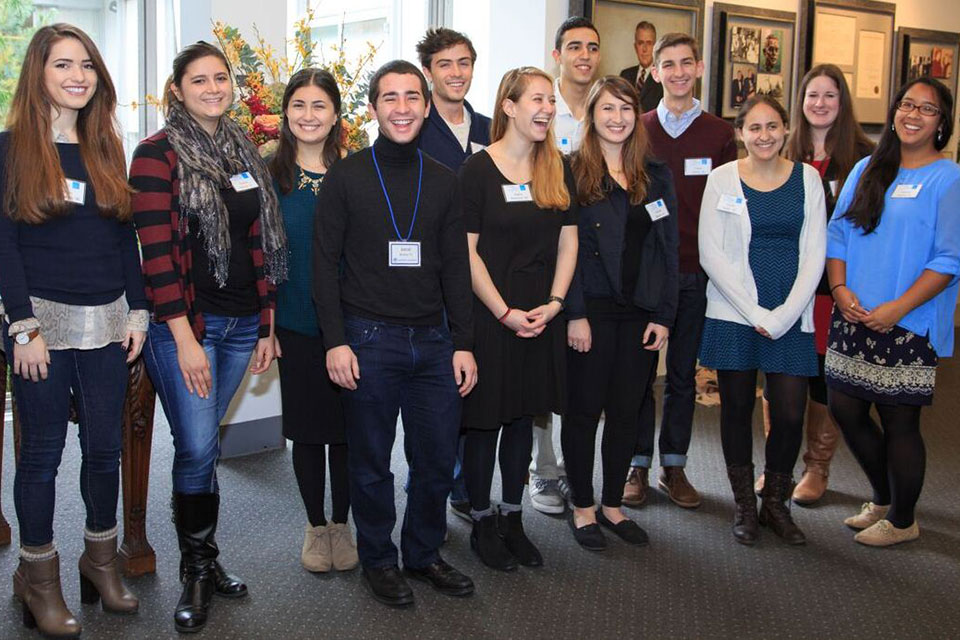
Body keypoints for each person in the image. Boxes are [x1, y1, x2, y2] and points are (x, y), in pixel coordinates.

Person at [130, 41, 286, 633]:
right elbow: (157, 258)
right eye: (200, 80)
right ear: (178, 89)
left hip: (244, 321)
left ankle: (206, 557)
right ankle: (197, 568)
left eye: (221, 78)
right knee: (197, 448)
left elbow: (260, 245)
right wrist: (184, 338)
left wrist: (266, 323)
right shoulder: (155, 154)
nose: (213, 88)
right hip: (187, 327)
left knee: (206, 449)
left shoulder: (243, 151)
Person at [313, 60, 477, 606]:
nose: (402, 108)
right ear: (373, 109)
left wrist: (465, 344)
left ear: (427, 107)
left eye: (412, 97)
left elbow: (456, 267)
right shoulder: (346, 177)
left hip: (434, 343)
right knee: (371, 464)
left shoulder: (446, 181)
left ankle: (424, 553)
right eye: (390, 98)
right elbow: (322, 265)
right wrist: (335, 340)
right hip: (367, 340)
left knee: (433, 461)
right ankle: (379, 559)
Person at [0, 23, 144, 637]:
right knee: (41, 455)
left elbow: (123, 236)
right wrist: (21, 327)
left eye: (86, 64)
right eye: (63, 65)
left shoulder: (106, 146)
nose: (78, 75)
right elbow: (3, 244)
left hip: (107, 322)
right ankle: (37, 577)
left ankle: (100, 561)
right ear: (40, 74)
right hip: (41, 324)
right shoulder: (8, 149)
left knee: (105, 450)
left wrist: (137, 309)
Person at [825, 78, 960, 547]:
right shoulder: (868, 168)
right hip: (854, 314)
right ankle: (883, 498)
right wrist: (839, 288)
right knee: (844, 407)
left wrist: (896, 309)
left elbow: (948, 259)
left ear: (941, 124)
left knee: (899, 420)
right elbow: (837, 235)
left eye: (928, 109)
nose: (914, 115)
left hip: (908, 321)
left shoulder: (948, 178)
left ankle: (904, 520)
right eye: (907, 105)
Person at [460, 66, 578, 570]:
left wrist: (554, 304)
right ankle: (482, 520)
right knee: (486, 424)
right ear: (508, 106)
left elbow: (570, 239)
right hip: (493, 316)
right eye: (537, 99)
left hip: (540, 316)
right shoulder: (476, 171)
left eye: (550, 100)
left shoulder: (556, 166)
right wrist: (504, 312)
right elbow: (466, 254)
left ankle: (512, 517)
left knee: (521, 423)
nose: (548, 109)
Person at [698, 95, 826, 546]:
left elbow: (815, 252)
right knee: (735, 409)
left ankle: (776, 502)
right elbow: (711, 253)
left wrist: (785, 314)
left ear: (787, 129)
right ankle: (745, 507)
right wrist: (755, 314)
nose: (764, 136)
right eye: (754, 128)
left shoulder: (807, 179)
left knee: (790, 413)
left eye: (772, 126)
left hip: (791, 311)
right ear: (741, 133)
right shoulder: (721, 179)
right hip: (734, 312)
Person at [562, 76, 677, 551]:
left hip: (640, 312)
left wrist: (664, 314)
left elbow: (669, 248)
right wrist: (574, 314)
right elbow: (563, 251)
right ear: (591, 115)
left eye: (626, 108)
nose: (617, 118)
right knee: (584, 410)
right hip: (590, 312)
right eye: (607, 108)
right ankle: (583, 507)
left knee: (627, 412)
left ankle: (612, 504)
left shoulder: (655, 173)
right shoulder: (571, 171)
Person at [623, 33, 737, 509]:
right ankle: (636, 466)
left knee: (684, 376)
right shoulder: (638, 128)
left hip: (697, 270)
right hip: (646, 274)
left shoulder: (721, 134)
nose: (677, 72)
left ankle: (675, 465)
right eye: (667, 64)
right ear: (654, 71)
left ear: (699, 68)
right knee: (639, 375)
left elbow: (732, 206)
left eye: (685, 63)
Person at [753, 64, 874, 503]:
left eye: (829, 95)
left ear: (842, 103)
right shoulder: (784, 150)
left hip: (833, 288)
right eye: (811, 96)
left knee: (822, 378)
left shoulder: (864, 157)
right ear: (800, 104)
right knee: (781, 377)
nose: (819, 104)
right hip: (783, 283)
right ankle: (776, 466)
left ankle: (816, 467)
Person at [267, 68, 357, 574]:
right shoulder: (268, 175)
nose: (308, 115)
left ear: (336, 115)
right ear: (286, 114)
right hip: (296, 321)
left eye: (319, 105)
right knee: (306, 430)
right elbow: (259, 255)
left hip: (351, 325)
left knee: (345, 430)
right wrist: (268, 323)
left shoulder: (356, 171)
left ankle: (342, 525)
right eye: (298, 105)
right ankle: (315, 524)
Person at [415, 27, 491, 522]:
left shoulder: (490, 127)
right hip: (429, 278)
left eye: (464, 63)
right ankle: (429, 490)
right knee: (434, 396)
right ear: (428, 72)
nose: (456, 72)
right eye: (445, 64)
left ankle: (465, 484)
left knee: (471, 384)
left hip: (483, 276)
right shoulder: (414, 128)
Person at [527, 16, 599, 516]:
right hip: (545, 258)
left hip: (596, 259)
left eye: (592, 47)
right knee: (544, 375)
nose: (584, 56)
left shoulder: (609, 111)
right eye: (574, 46)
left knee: (582, 379)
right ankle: (544, 470)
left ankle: (577, 472)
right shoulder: (543, 109)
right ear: (558, 55)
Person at [619, 21, 663, 113]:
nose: (644, 49)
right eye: (640, 43)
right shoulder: (624, 76)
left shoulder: (662, 77)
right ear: (635, 47)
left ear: (656, 47)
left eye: (649, 43)